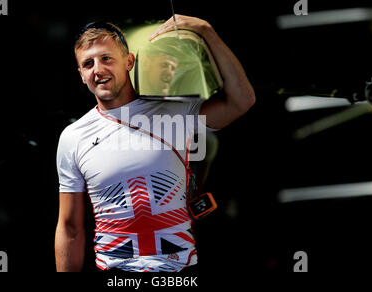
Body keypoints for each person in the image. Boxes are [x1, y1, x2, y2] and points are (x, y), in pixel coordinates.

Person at [55, 15, 255, 272]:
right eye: (88, 63)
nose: (98, 69)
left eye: (106, 58)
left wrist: (206, 30)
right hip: (115, 273)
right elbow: (70, 228)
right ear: (82, 74)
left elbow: (242, 101)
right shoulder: (73, 137)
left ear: (129, 61)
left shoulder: (174, 112)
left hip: (178, 271)